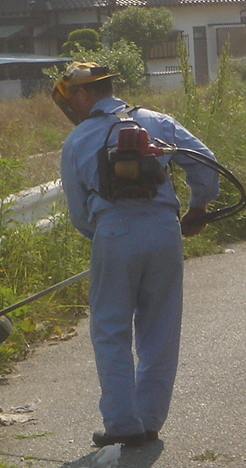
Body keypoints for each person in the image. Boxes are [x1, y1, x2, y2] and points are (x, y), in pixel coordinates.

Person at [54, 63, 220, 448]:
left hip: (113, 231)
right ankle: (149, 420)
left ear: (84, 94)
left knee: (110, 330)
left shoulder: (78, 139)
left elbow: (78, 213)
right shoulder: (157, 121)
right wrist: (198, 206)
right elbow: (205, 161)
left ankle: (122, 424)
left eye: (71, 99)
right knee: (160, 328)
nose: (71, 107)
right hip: (164, 231)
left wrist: (105, 236)